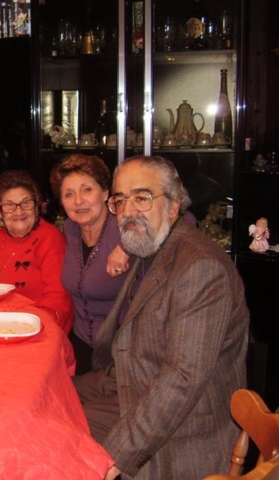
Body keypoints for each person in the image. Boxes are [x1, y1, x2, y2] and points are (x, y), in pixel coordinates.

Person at [73, 156, 249, 479]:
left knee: (66, 435)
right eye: (120, 200)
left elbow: (182, 380)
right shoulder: (151, 248)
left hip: (186, 428)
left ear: (173, 206)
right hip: (141, 388)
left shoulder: (201, 268)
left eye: (141, 198)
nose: (128, 211)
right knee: (55, 404)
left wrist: (119, 456)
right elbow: (140, 353)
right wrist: (64, 386)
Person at [50, 154, 130, 374]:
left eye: (86, 190)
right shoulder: (70, 229)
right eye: (69, 194)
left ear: (105, 193)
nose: (78, 201)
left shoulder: (126, 225)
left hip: (122, 351)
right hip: (81, 345)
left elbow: (182, 220)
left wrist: (127, 247)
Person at [0, 170, 73, 334]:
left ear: (36, 206)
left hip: (35, 330)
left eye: (25, 203)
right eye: (9, 205)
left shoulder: (50, 239)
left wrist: (29, 326)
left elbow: (58, 298)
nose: (18, 211)